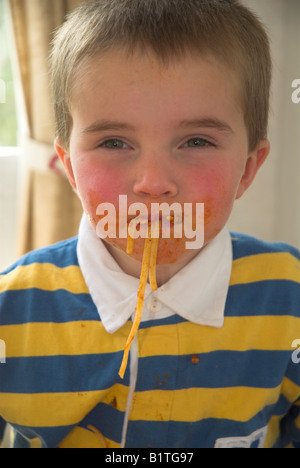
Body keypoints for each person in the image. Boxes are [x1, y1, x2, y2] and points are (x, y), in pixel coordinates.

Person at [0, 0, 300, 449]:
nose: (154, 184)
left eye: (196, 141)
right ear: (70, 169)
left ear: (248, 168)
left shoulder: (291, 294)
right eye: (114, 142)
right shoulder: (10, 311)